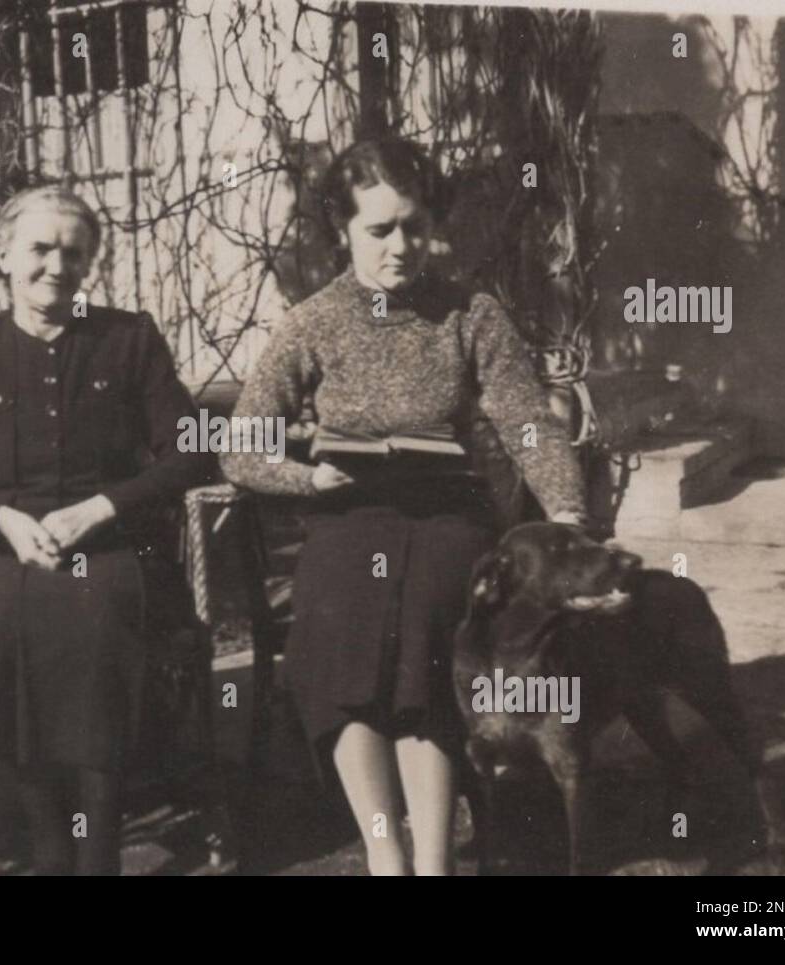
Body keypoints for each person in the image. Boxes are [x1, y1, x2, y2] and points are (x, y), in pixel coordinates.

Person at [220, 139, 586, 875]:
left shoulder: (469, 314)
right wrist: (307, 480)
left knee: (430, 611)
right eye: (379, 230)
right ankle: (386, 853)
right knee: (340, 627)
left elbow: (525, 422)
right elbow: (240, 448)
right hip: (347, 512)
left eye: (414, 227)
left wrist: (569, 513)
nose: (400, 247)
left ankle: (433, 859)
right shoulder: (312, 323)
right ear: (344, 230)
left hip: (447, 513)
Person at [0, 185, 214, 875]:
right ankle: (50, 846)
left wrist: (103, 508)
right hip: (4, 554)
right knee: (2, 625)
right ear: (3, 255)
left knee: (98, 619)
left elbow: (191, 452)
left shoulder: (128, 341)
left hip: (113, 547)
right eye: (39, 248)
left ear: (89, 264)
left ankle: (98, 855)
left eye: (73, 252)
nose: (56, 265)